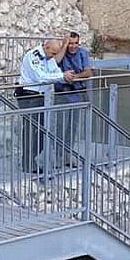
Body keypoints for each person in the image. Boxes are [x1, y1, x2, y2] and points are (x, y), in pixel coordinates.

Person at [15, 39, 74, 173]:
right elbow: (40, 77)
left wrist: (62, 76)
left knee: (41, 132)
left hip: (41, 96)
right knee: (31, 131)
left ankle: (31, 159)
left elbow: (54, 70)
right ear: (46, 47)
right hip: (29, 95)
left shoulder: (49, 56)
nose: (53, 57)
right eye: (52, 53)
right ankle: (28, 163)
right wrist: (61, 76)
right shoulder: (33, 56)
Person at [54, 32, 93, 165]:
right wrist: (64, 46)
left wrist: (74, 77)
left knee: (72, 126)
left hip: (76, 93)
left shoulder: (82, 53)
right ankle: (58, 156)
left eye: (75, 43)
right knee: (60, 126)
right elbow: (55, 63)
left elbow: (88, 72)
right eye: (70, 43)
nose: (73, 46)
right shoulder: (61, 52)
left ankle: (67, 154)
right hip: (61, 94)